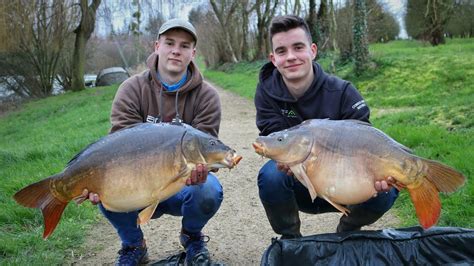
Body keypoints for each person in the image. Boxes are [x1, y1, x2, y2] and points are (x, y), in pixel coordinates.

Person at [82, 19, 222, 266]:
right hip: (138, 185)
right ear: (157, 46)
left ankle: (192, 238)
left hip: (181, 184)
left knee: (209, 189)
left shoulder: (207, 96)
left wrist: (203, 170)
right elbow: (118, 148)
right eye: (169, 43)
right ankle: (133, 244)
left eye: (184, 45)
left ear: (193, 53)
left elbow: (208, 150)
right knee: (105, 189)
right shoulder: (131, 89)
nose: (176, 50)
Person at [254, 15, 399, 239]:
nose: (291, 57)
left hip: (348, 184)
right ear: (273, 59)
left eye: (298, 47)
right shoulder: (266, 93)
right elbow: (274, 140)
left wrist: (377, 174)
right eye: (282, 51)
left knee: (388, 189)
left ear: (313, 50)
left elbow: (366, 140)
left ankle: (349, 230)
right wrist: (284, 159)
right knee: (270, 176)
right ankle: (291, 240)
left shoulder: (343, 92)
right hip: (299, 183)